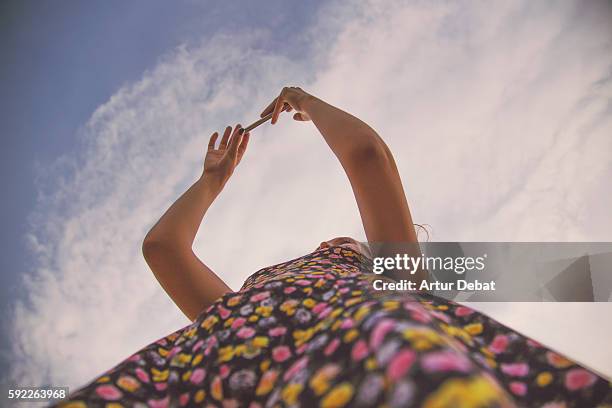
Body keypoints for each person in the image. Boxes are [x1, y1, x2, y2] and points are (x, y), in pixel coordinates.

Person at [56, 87, 610, 407]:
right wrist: (217, 176)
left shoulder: (391, 283)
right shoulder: (230, 318)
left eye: (342, 245)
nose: (328, 241)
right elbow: (162, 250)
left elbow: (161, 248)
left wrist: (301, 104)